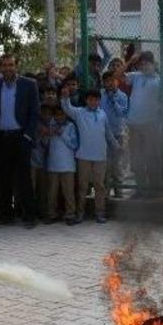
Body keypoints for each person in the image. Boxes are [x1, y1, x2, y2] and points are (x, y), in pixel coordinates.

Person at [0, 54, 40, 228]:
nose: (8, 68)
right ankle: (6, 215)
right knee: (4, 179)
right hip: (2, 138)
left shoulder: (29, 85)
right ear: (0, 67)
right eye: (4, 65)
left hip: (21, 137)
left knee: (24, 178)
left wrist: (28, 136)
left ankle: (29, 216)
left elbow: (34, 113)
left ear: (17, 66)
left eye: (11, 64)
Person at [61, 87, 120, 224]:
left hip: (100, 156)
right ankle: (80, 213)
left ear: (99, 101)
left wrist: (117, 146)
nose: (93, 101)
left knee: (100, 185)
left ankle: (100, 213)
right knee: (82, 186)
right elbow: (67, 109)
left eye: (96, 99)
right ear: (86, 100)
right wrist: (65, 98)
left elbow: (108, 133)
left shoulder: (103, 114)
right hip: (84, 156)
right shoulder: (79, 113)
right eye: (90, 99)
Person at [126, 51, 162, 190]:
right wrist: (130, 62)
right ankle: (141, 187)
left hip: (150, 124)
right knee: (136, 157)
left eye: (147, 63)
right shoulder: (136, 77)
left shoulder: (159, 81)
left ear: (153, 64)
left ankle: (155, 186)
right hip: (134, 124)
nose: (144, 66)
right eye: (141, 64)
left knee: (151, 155)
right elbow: (116, 77)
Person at [45, 105, 78, 225]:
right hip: (53, 165)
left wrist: (62, 134)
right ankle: (51, 214)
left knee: (68, 192)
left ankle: (70, 214)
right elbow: (45, 144)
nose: (60, 117)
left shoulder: (71, 126)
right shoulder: (50, 126)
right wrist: (48, 134)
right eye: (57, 114)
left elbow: (74, 144)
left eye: (62, 114)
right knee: (52, 192)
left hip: (68, 165)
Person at [100, 71, 129, 198]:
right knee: (106, 164)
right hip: (103, 134)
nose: (110, 83)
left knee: (117, 163)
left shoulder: (122, 96)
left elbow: (122, 113)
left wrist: (114, 100)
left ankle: (119, 189)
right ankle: (105, 191)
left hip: (118, 134)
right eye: (107, 81)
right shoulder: (100, 94)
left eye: (112, 80)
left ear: (117, 81)